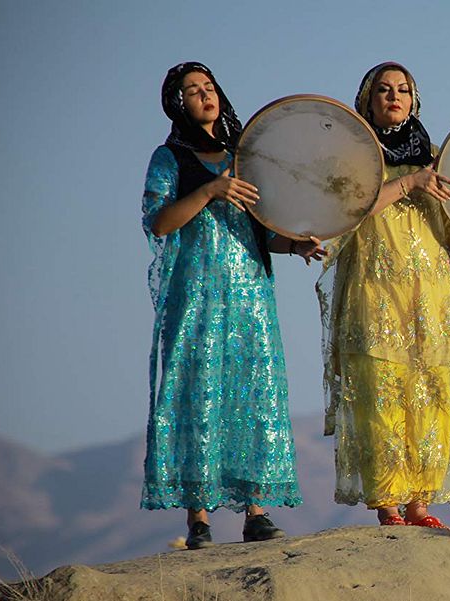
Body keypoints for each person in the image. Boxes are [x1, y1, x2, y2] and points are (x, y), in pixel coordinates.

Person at [317, 62, 450, 528]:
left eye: (403, 90)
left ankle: (420, 504)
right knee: (380, 393)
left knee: (431, 392)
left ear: (414, 99)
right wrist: (407, 182)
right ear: (367, 99)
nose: (394, 97)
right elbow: (347, 213)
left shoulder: (435, 156)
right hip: (374, 290)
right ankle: (388, 505)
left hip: (431, 295)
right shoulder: (354, 157)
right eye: (384, 90)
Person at [141, 62, 325, 549]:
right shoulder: (170, 159)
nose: (205, 95)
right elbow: (159, 223)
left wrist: (295, 245)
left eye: (209, 87)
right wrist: (208, 189)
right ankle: (198, 519)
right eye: (193, 91)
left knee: (254, 394)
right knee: (197, 396)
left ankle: (256, 512)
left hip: (251, 297)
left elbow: (264, 227)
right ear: (178, 104)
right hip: (197, 296)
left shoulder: (247, 156)